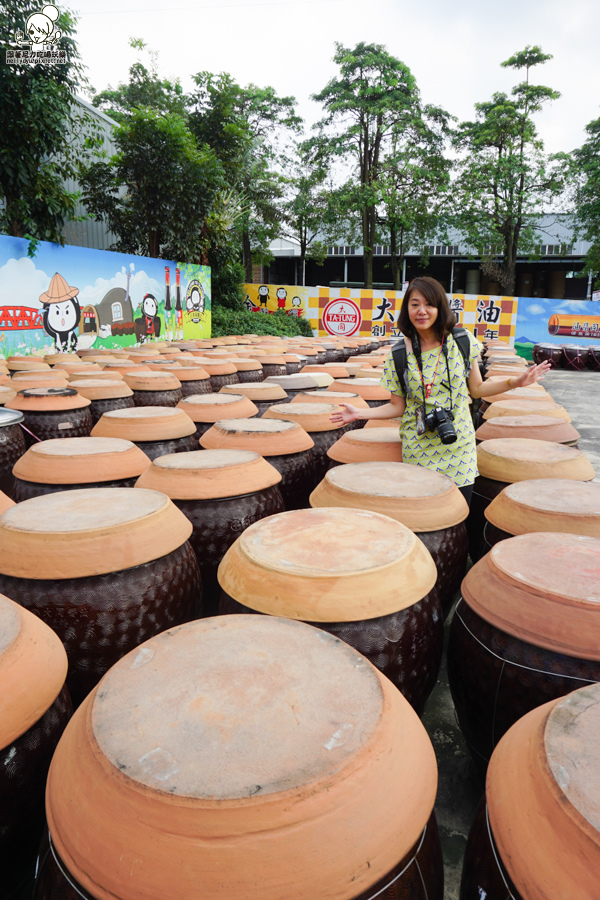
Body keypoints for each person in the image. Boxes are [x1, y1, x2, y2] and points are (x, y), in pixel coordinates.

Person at [330, 276, 551, 504]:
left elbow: (477, 389)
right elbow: (397, 407)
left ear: (440, 308)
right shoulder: (398, 354)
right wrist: (359, 413)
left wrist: (515, 382)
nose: (421, 311)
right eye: (415, 304)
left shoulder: (462, 341)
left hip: (458, 445)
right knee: (424, 512)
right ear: (407, 310)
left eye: (429, 304)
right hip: (419, 447)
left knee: (457, 512)